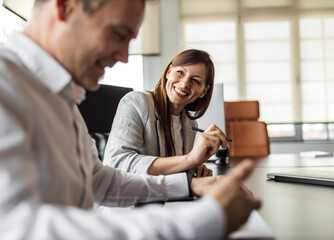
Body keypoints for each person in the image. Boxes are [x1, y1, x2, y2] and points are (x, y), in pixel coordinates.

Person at [0, 0, 261, 239]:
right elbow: (18, 228)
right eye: (118, 34)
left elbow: (100, 181)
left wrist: (191, 185)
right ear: (66, 7)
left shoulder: (59, 97)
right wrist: (207, 219)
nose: (124, 56)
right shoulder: (6, 86)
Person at [104, 49, 220, 177]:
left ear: (204, 91)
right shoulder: (136, 102)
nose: (185, 83)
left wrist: (192, 170)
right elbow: (117, 163)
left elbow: (171, 172)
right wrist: (189, 160)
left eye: (195, 80)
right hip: (135, 196)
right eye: (180, 72)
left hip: (169, 195)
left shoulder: (190, 124)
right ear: (169, 72)